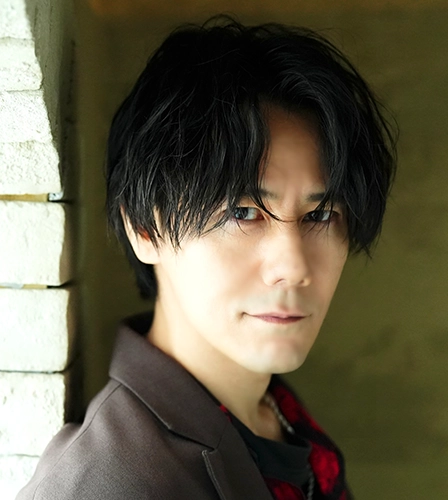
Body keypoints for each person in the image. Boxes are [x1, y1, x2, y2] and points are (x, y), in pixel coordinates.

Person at [17, 16, 396, 500]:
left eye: (320, 215)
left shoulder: (268, 409)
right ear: (146, 228)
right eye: (243, 213)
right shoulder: (109, 484)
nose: (295, 267)